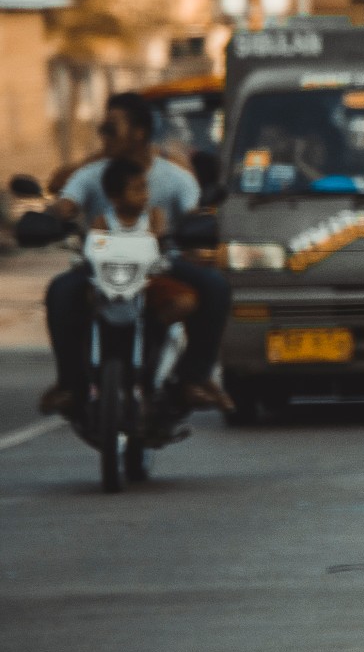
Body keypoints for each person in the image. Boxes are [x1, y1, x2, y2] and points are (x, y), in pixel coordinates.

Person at [40, 92, 233, 416]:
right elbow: (66, 204)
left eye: (111, 128)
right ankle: (70, 386)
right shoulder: (91, 173)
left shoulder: (175, 178)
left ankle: (194, 378)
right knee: (59, 290)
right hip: (98, 266)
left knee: (215, 287)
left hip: (160, 266)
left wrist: (196, 232)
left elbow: (193, 216)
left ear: (139, 132)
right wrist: (47, 218)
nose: (103, 135)